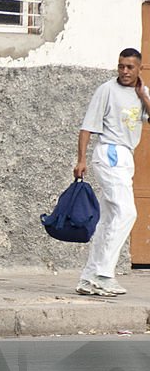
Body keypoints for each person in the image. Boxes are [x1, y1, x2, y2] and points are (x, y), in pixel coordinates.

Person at [74, 47, 150, 297]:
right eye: (121, 66)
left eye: (129, 67)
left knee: (108, 221)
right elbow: (87, 127)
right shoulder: (106, 90)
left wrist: (142, 96)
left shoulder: (142, 92)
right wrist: (81, 159)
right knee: (127, 213)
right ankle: (105, 275)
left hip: (125, 157)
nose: (124, 71)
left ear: (139, 68)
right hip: (110, 153)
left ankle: (88, 279)